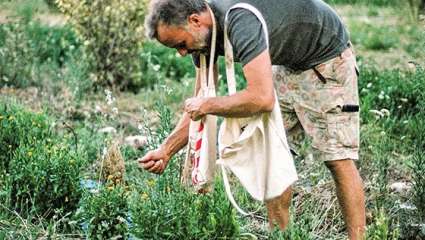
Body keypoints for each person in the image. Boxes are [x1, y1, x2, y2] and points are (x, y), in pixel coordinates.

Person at [138, 0, 366, 239]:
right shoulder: (202, 37)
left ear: (195, 20)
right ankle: (280, 234)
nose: (182, 53)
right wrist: (166, 150)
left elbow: (261, 98)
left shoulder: (240, 20)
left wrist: (209, 106)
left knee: (338, 158)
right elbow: (200, 102)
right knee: (272, 152)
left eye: (180, 44)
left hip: (325, 58)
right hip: (286, 63)